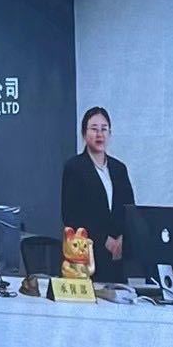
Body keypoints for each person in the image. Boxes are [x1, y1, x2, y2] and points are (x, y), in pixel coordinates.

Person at [61, 107, 135, 284]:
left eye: (104, 129)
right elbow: (70, 215)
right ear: (84, 133)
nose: (99, 134)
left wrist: (121, 239)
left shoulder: (119, 169)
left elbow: (130, 210)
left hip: (117, 258)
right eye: (94, 129)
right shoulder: (74, 168)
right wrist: (104, 240)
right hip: (87, 257)